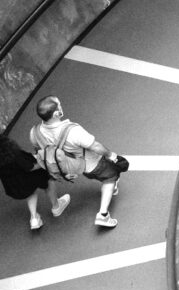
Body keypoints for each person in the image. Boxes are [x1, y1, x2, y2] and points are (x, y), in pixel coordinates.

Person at [29, 96, 126, 228]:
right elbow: (95, 146)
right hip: (92, 164)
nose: (61, 106)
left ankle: (109, 188)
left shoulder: (34, 132)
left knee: (96, 175)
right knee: (110, 176)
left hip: (72, 168)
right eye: (59, 105)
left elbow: (39, 152)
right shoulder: (73, 130)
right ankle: (103, 215)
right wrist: (112, 155)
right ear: (57, 114)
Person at [0, 134, 69, 230]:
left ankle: (34, 218)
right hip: (26, 178)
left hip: (13, 185)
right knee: (47, 179)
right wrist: (44, 162)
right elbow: (30, 167)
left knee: (29, 192)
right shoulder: (12, 152)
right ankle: (56, 207)